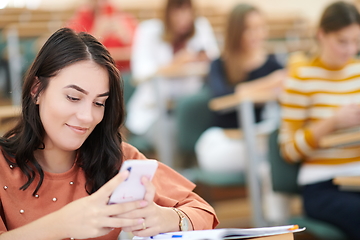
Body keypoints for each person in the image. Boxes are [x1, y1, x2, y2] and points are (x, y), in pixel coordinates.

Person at [0, 28, 218, 240]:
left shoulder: (118, 159)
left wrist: (167, 218)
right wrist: (63, 224)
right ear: (37, 89)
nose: (87, 116)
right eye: (73, 98)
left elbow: (204, 212)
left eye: (99, 102)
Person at [279, 2, 360, 239]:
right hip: (322, 185)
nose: (350, 49)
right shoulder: (301, 78)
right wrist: (332, 122)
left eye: (356, 41)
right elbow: (289, 151)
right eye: (342, 41)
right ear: (321, 35)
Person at [195, 4, 285, 173]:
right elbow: (220, 98)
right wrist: (268, 83)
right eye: (249, 29)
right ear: (236, 32)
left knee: (267, 158)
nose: (257, 35)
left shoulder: (273, 65)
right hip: (226, 139)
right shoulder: (220, 64)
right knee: (266, 159)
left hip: (258, 135)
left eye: (260, 28)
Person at [126, 0, 219, 137]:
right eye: (177, 11)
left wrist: (200, 58)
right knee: (171, 131)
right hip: (155, 110)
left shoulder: (200, 27)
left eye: (187, 11)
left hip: (189, 108)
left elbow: (215, 60)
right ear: (167, 13)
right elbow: (141, 72)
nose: (183, 17)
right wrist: (174, 64)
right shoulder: (148, 31)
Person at [67, 0, 137, 72]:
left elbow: (138, 49)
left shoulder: (123, 19)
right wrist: (97, 33)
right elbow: (73, 53)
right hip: (90, 71)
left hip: (124, 72)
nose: (100, 3)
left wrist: (126, 36)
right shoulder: (77, 22)